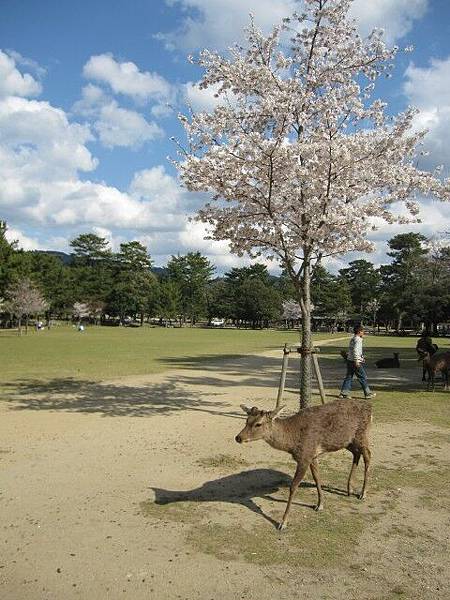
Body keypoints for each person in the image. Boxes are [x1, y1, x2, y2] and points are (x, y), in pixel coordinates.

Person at [339, 324, 376, 399]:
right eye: (363, 331)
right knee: (362, 376)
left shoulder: (353, 339)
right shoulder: (358, 339)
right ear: (359, 332)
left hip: (350, 360)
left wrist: (361, 358)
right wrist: (357, 360)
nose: (364, 332)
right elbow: (356, 350)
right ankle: (368, 394)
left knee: (349, 376)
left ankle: (343, 393)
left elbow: (352, 350)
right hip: (354, 361)